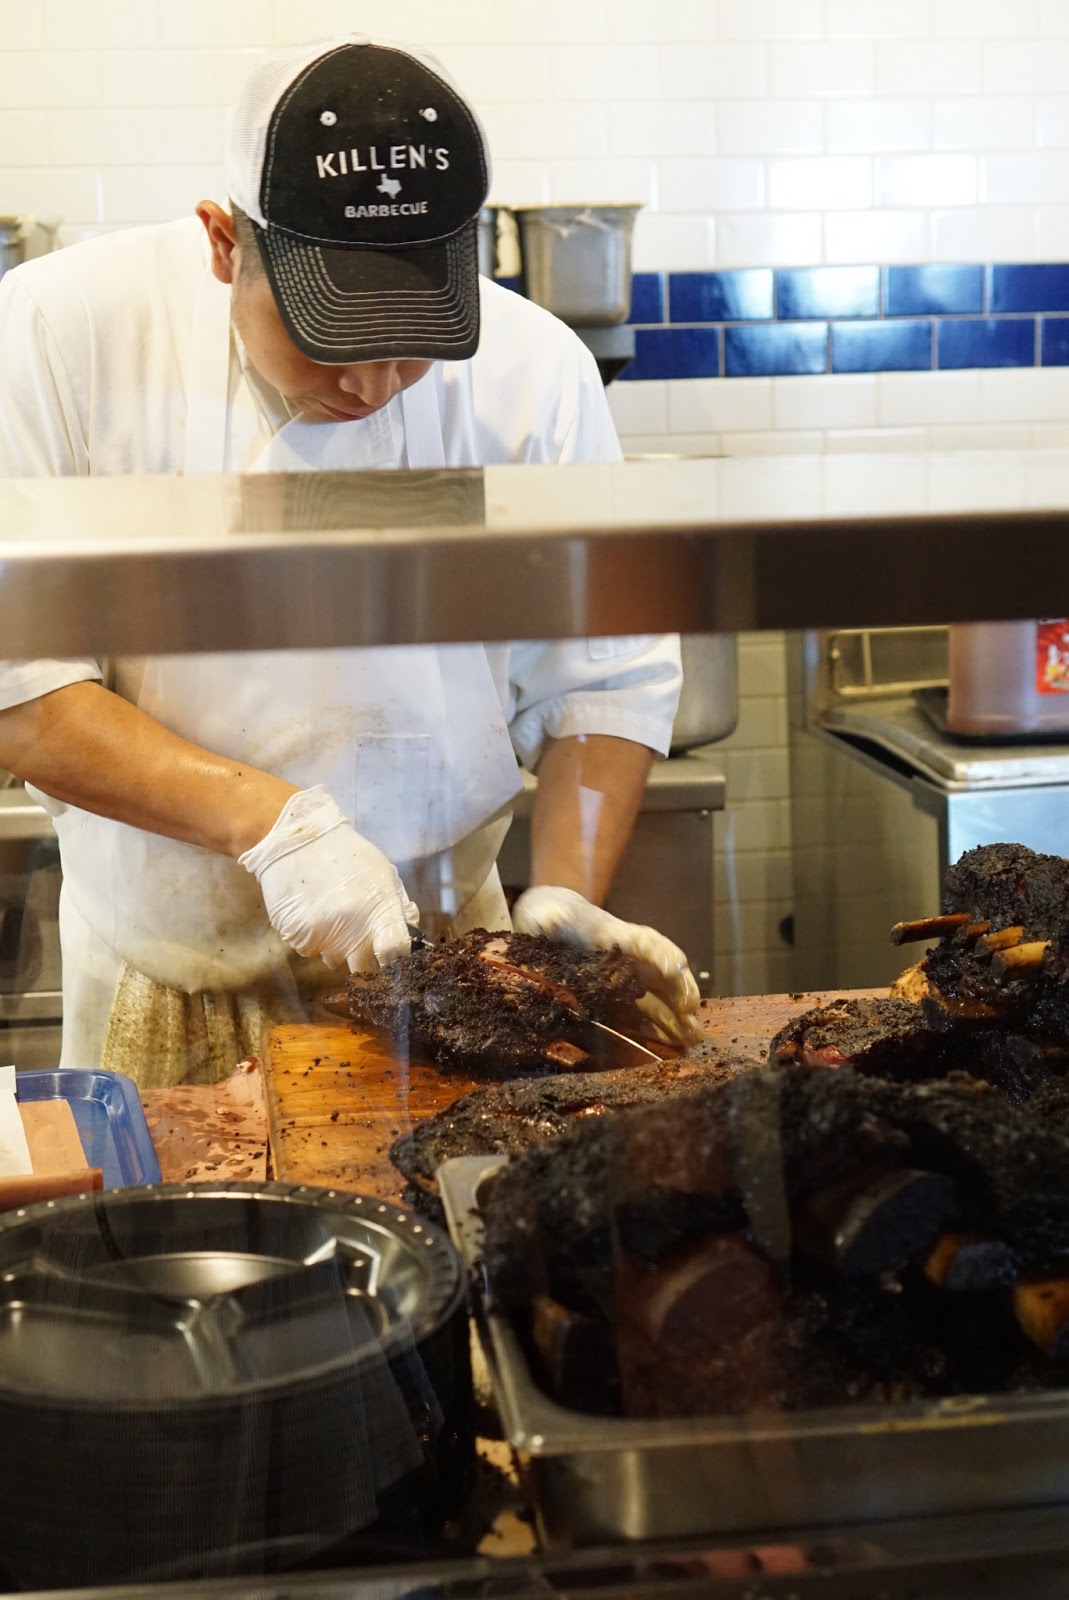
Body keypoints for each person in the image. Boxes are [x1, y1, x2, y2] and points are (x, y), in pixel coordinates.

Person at [0, 33, 699, 1086]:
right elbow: (21, 688)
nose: (371, 384)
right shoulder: (62, 332)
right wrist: (278, 829)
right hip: (170, 976)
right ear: (224, 242)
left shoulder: (538, 371)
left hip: (457, 969)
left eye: (413, 338)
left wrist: (563, 892)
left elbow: (606, 678)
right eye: (329, 335)